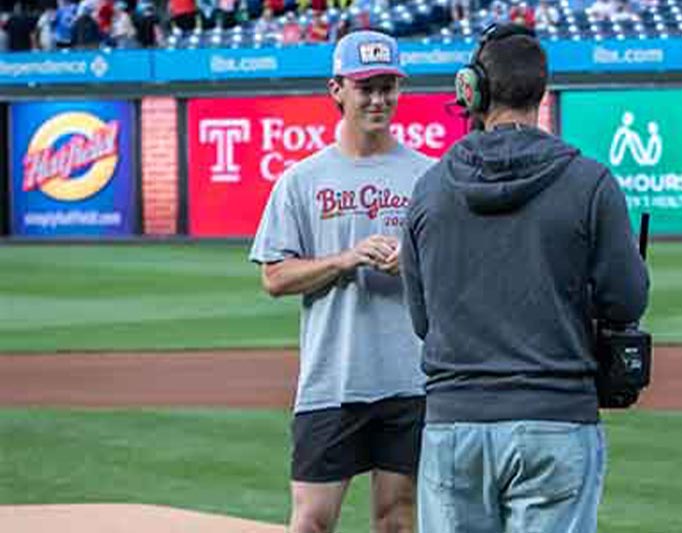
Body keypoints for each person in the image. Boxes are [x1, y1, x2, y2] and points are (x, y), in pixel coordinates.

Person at [401, 24, 649, 533]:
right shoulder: (591, 183)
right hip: (557, 417)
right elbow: (626, 301)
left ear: (472, 90)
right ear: (542, 92)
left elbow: (423, 321)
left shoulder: (428, 190)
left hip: (455, 423)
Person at [249, 30, 435, 533]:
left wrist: (413, 264)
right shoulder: (301, 180)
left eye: (387, 87)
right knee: (311, 519)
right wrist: (345, 260)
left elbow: (456, 271)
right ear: (337, 90)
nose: (378, 100)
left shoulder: (428, 176)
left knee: (397, 518)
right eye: (365, 87)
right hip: (333, 379)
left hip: (409, 377)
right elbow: (274, 276)